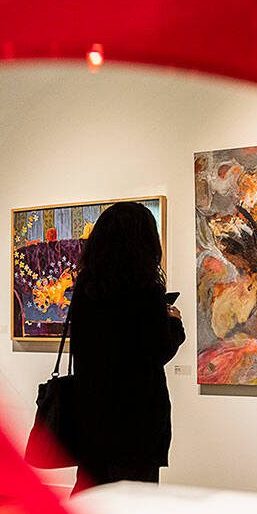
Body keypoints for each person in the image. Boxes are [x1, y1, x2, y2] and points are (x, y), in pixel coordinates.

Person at [69, 201, 185, 493]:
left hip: (92, 413)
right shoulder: (145, 291)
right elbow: (157, 351)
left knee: (91, 493)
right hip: (137, 418)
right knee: (136, 501)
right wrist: (173, 324)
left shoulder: (86, 288)